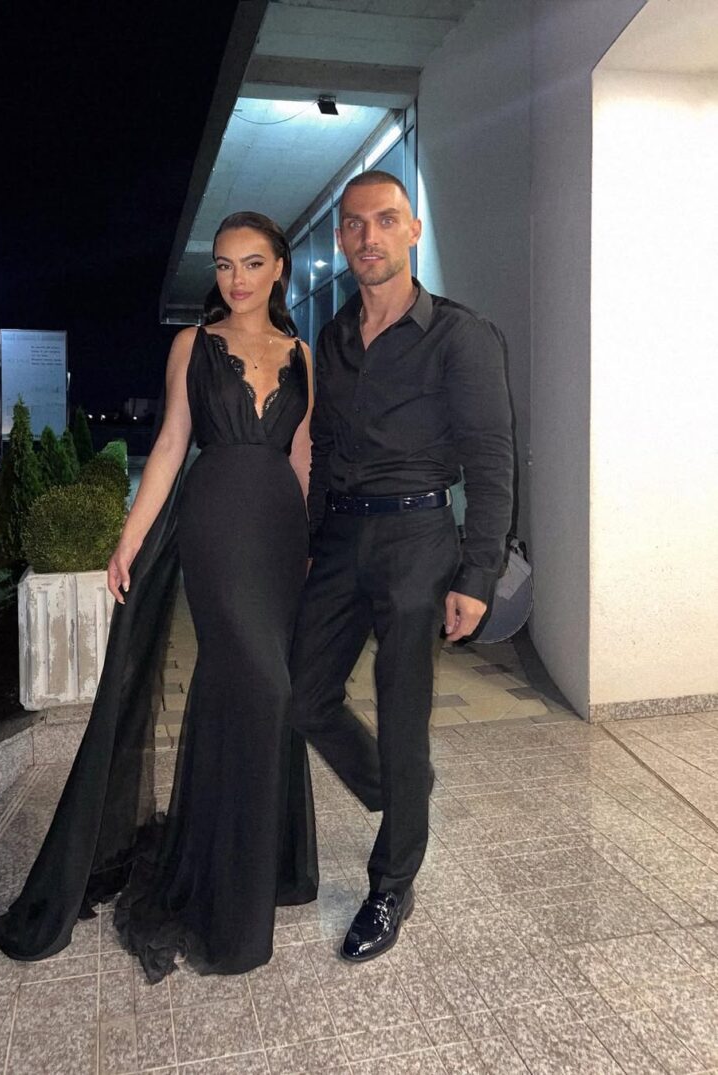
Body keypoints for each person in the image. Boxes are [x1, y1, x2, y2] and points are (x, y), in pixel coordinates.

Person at [0, 211, 318, 983]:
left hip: (278, 533)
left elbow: (305, 454)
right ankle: (226, 896)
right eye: (224, 264)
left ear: (279, 268)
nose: (235, 278)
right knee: (261, 685)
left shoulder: (302, 354)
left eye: (251, 262)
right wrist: (129, 538)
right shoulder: (193, 345)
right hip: (214, 522)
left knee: (257, 689)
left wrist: (311, 544)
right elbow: (170, 443)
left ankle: (243, 856)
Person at [289, 170, 514, 962]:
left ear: (412, 231)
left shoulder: (461, 335)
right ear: (342, 239)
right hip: (342, 536)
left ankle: (392, 882)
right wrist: (313, 538)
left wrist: (477, 574)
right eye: (355, 224)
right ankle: (397, 789)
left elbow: (491, 459)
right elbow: (324, 449)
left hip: (419, 537)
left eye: (385, 220)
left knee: (402, 711)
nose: (369, 236)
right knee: (302, 693)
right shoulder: (334, 338)